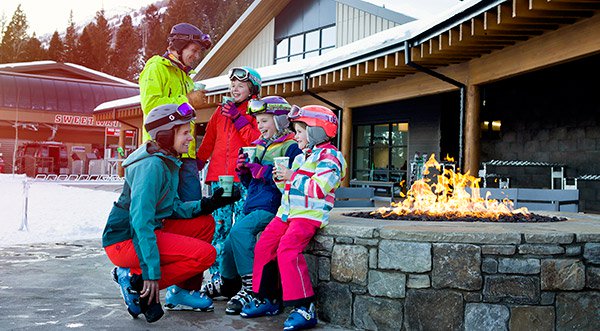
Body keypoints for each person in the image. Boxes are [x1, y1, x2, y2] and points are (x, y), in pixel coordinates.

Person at [102, 103, 240, 323]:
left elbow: (171, 208)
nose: (190, 139)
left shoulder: (166, 160)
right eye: (185, 133)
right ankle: (135, 280)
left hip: (147, 230)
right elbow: (140, 223)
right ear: (167, 135)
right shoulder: (151, 167)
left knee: (204, 223)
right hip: (125, 240)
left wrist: (209, 203)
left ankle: (181, 292)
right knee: (206, 254)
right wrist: (150, 273)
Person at [240, 105, 347, 331]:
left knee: (287, 249)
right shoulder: (302, 158)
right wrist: (282, 179)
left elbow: (319, 188)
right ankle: (267, 298)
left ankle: (304, 307)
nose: (295, 135)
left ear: (317, 131)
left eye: (299, 131)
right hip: (287, 213)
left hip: (308, 215)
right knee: (264, 245)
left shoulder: (331, 157)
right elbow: (289, 189)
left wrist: (292, 176)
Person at [212, 96, 303, 315]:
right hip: (253, 204)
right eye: (258, 121)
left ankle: (251, 287)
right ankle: (228, 283)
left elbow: (291, 181)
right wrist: (243, 171)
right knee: (229, 244)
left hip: (272, 206)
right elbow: (250, 183)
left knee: (239, 231)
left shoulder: (291, 148)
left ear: (280, 121)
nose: (260, 125)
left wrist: (264, 172)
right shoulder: (259, 146)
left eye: (264, 120)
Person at [196, 66, 262, 290]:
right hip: (220, 178)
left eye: (240, 85)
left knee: (241, 228)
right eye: (232, 85)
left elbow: (256, 141)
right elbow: (209, 140)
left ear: (252, 89)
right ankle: (217, 277)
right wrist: (197, 162)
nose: (235, 89)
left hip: (243, 179)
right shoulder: (220, 111)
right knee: (219, 228)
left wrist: (238, 119)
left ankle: (238, 277)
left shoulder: (255, 113)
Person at [139, 22, 212, 202]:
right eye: (193, 50)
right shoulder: (156, 67)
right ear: (179, 46)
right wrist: (188, 100)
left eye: (199, 53)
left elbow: (183, 112)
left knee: (193, 207)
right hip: (160, 152)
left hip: (186, 154)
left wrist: (190, 103)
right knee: (162, 207)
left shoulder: (186, 77)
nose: (196, 56)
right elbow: (151, 105)